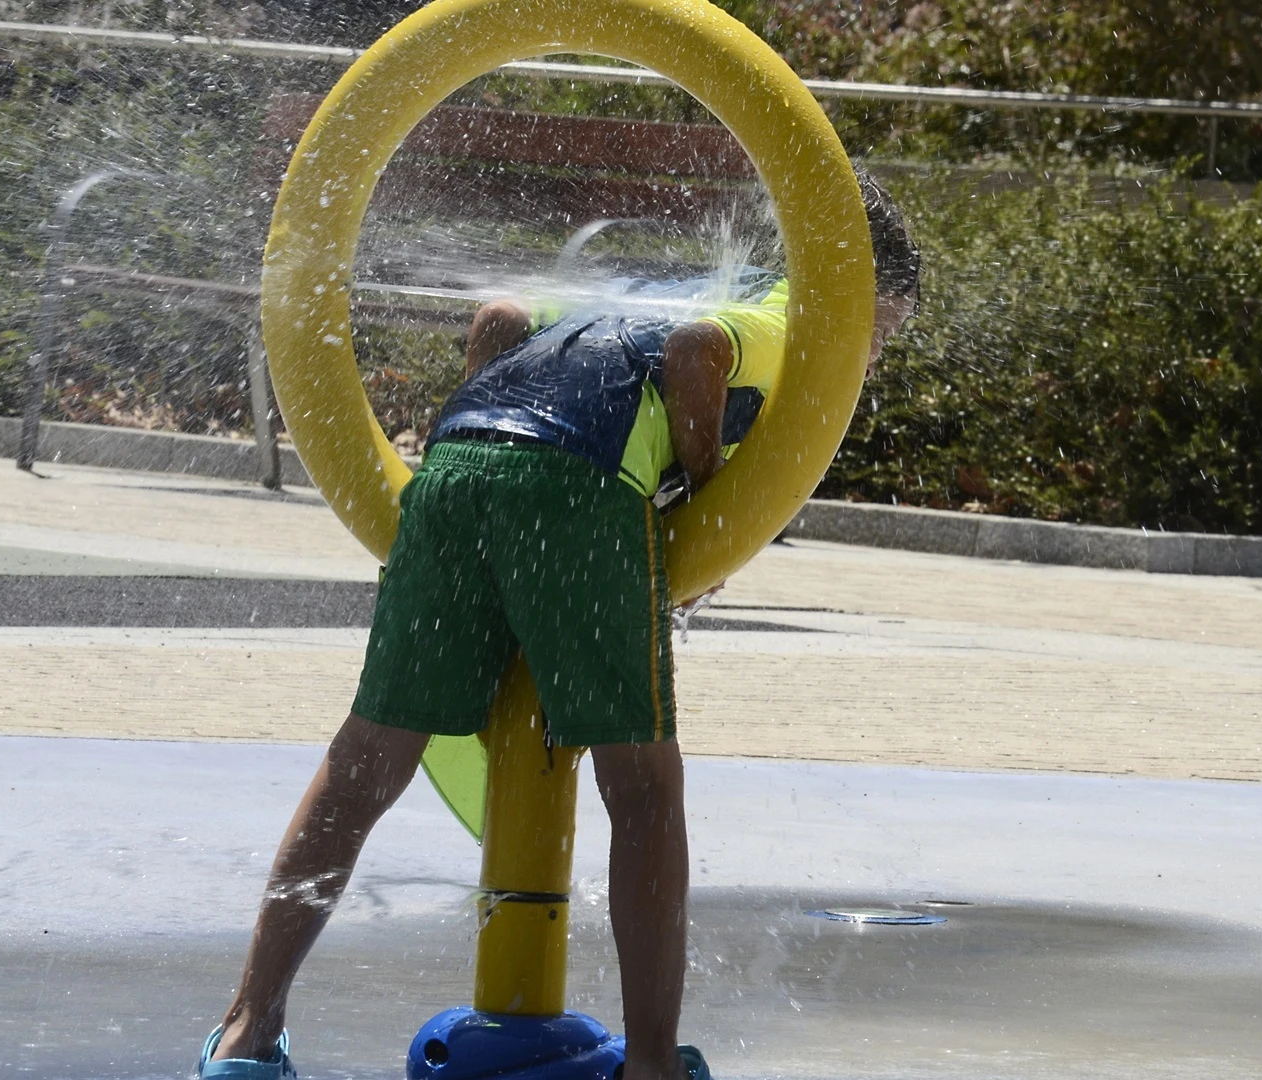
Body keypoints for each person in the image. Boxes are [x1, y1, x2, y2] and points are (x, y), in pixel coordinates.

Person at [198, 170, 919, 1080]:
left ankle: (246, 1034)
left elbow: (500, 320)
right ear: (858, 296)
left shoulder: (646, 290)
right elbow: (699, 352)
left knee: (364, 762)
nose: (871, 358)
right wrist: (704, 501)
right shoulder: (792, 320)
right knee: (644, 790)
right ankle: (653, 1064)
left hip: (457, 464)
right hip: (579, 493)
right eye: (882, 337)